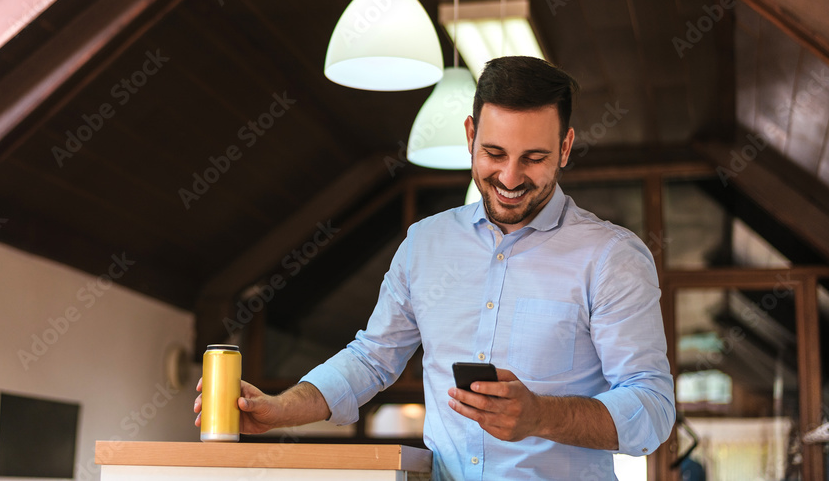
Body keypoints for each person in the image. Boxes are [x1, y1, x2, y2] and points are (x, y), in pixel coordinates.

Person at [195, 56, 676, 480]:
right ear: (470, 136)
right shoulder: (426, 243)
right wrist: (279, 410)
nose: (509, 178)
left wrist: (540, 416)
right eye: (494, 153)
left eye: (534, 158)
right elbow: (371, 359)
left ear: (566, 148)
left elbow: (652, 409)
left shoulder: (611, 256)